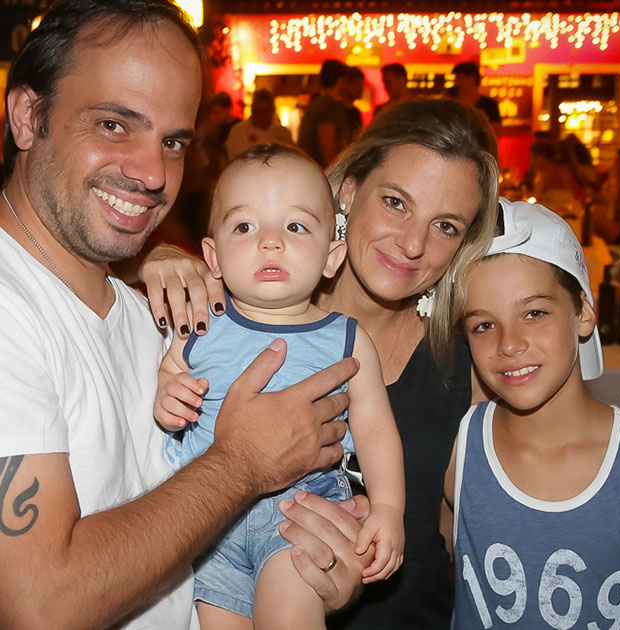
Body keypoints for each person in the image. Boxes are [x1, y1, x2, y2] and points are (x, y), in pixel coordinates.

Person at [0, 2, 369, 628]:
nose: (153, 174)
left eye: (172, 142)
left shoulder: (154, 315)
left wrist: (311, 562)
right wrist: (243, 465)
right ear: (28, 117)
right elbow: (38, 604)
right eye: (114, 125)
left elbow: (184, 532)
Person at [140, 97, 501, 629]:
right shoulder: (216, 304)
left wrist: (381, 520)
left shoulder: (467, 365)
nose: (412, 243)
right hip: (220, 550)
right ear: (349, 193)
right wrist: (151, 256)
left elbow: (472, 539)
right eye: (396, 202)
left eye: (446, 226)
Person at [155, 144, 405, 629]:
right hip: (207, 522)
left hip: (302, 515)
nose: (270, 243)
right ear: (213, 257)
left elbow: (375, 430)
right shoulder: (202, 323)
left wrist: (389, 508)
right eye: (245, 227)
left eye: (295, 227)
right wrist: (168, 395)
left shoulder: (347, 340)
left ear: (331, 257)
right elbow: (169, 371)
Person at [444, 199, 620, 629]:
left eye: (534, 313)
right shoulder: (458, 450)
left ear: (583, 312)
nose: (509, 343)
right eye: (483, 325)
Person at [298, 59, 351, 167]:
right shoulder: (330, 106)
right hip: (323, 169)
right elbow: (327, 146)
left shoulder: (315, 104)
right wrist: (335, 170)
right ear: (340, 80)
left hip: (309, 167)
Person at [226, 89, 293, 161]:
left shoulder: (283, 133)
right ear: (252, 109)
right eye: (257, 110)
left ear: (272, 110)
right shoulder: (238, 131)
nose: (261, 115)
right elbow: (232, 159)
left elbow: (290, 157)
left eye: (265, 110)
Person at [452, 61, 502, 134]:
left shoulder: (489, 104)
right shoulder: (452, 103)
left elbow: (495, 131)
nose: (456, 82)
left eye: (459, 77)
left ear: (472, 78)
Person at [341, 66, 365, 141]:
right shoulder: (336, 110)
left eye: (361, 85)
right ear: (344, 85)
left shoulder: (356, 111)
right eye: (356, 85)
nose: (360, 89)